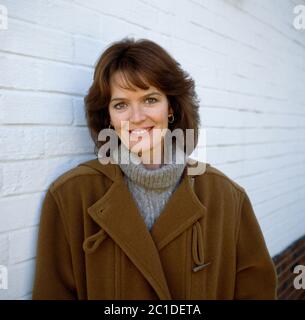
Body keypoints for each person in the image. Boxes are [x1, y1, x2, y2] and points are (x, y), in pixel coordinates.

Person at [32, 38, 277, 300]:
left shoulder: (226, 196)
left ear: (170, 107)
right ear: (108, 117)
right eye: (121, 104)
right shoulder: (71, 195)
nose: (136, 117)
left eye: (150, 99)